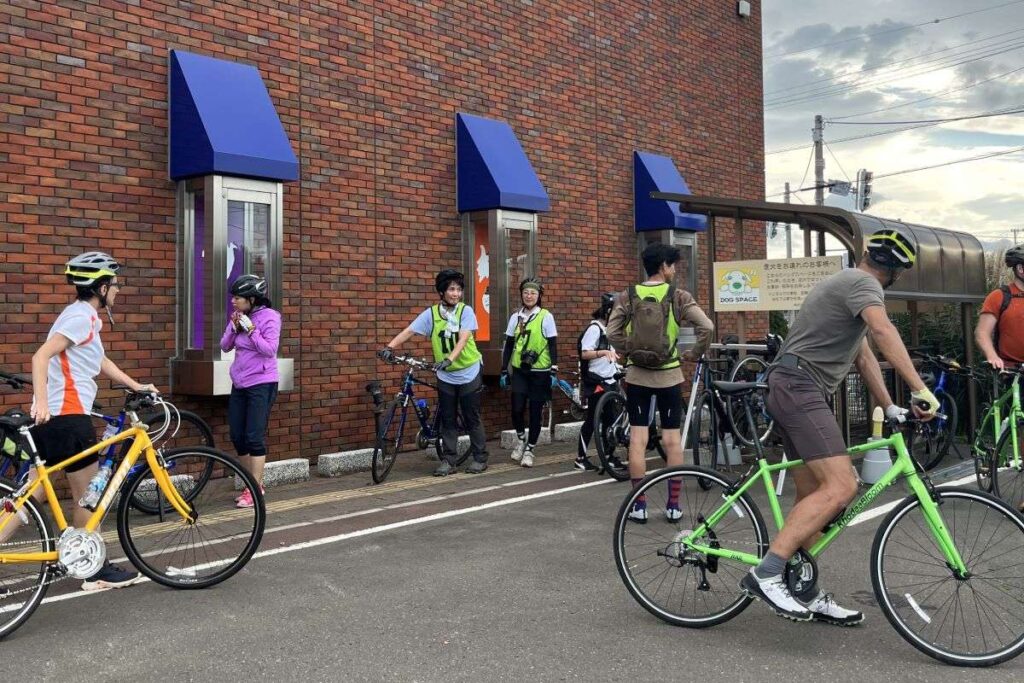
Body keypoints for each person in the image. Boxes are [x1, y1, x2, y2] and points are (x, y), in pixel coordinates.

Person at [741, 229, 939, 625]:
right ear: (896, 272)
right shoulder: (862, 285)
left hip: (793, 386)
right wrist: (921, 389)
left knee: (813, 497)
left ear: (867, 254)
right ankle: (767, 574)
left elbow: (863, 356)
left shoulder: (845, 286)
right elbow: (884, 332)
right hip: (799, 387)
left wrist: (891, 406)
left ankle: (803, 586)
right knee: (844, 485)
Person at [28, 252, 156, 590]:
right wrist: (42, 402)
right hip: (67, 417)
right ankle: (93, 570)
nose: (117, 290)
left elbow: (98, 360)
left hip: (56, 418)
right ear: (100, 287)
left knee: (29, 496)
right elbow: (40, 356)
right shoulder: (80, 318)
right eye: (114, 284)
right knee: (89, 496)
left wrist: (135, 385)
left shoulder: (81, 317)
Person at [608, 243, 713, 522]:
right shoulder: (678, 296)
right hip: (669, 374)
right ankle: (673, 505)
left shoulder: (627, 295)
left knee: (639, 439)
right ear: (664, 266)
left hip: (637, 375)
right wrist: (692, 353)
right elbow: (708, 327)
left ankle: (639, 505)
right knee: (671, 439)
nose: (674, 270)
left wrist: (629, 348)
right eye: (673, 265)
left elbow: (611, 332)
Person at [379, 269, 488, 476]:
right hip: (445, 374)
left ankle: (480, 458)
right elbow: (409, 330)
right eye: (451, 289)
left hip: (468, 371)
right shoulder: (432, 314)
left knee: (471, 415)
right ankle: (449, 461)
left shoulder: (465, 311)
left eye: (458, 290)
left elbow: (464, 338)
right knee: (447, 418)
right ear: (441, 292)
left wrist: (449, 359)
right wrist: (389, 347)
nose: (456, 294)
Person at [221, 274, 281, 509]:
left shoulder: (271, 317)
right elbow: (224, 345)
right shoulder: (238, 316)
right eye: (233, 298)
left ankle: (254, 489)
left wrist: (252, 330)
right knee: (238, 436)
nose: (233, 302)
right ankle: (250, 482)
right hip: (240, 383)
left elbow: (269, 350)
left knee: (254, 436)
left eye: (238, 298)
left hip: (262, 383)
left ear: (252, 299)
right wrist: (235, 328)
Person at [500, 277, 558, 468]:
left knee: (535, 411)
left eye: (533, 293)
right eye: (526, 292)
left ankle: (530, 449)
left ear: (539, 295)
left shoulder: (545, 316)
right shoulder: (515, 317)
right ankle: (521, 439)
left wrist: (553, 370)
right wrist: (503, 369)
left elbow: (552, 344)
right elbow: (508, 344)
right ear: (521, 295)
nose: (529, 296)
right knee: (516, 408)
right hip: (519, 370)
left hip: (539, 371)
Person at [575, 292, 621, 471]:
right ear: (608, 312)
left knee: (610, 419)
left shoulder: (609, 330)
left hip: (609, 379)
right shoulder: (594, 329)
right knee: (593, 419)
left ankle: (609, 456)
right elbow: (584, 353)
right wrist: (602, 352)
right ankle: (581, 457)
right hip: (596, 381)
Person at [975, 244, 1024, 370]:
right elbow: (982, 333)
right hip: (1013, 372)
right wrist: (993, 357)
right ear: (1020, 269)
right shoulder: (999, 297)